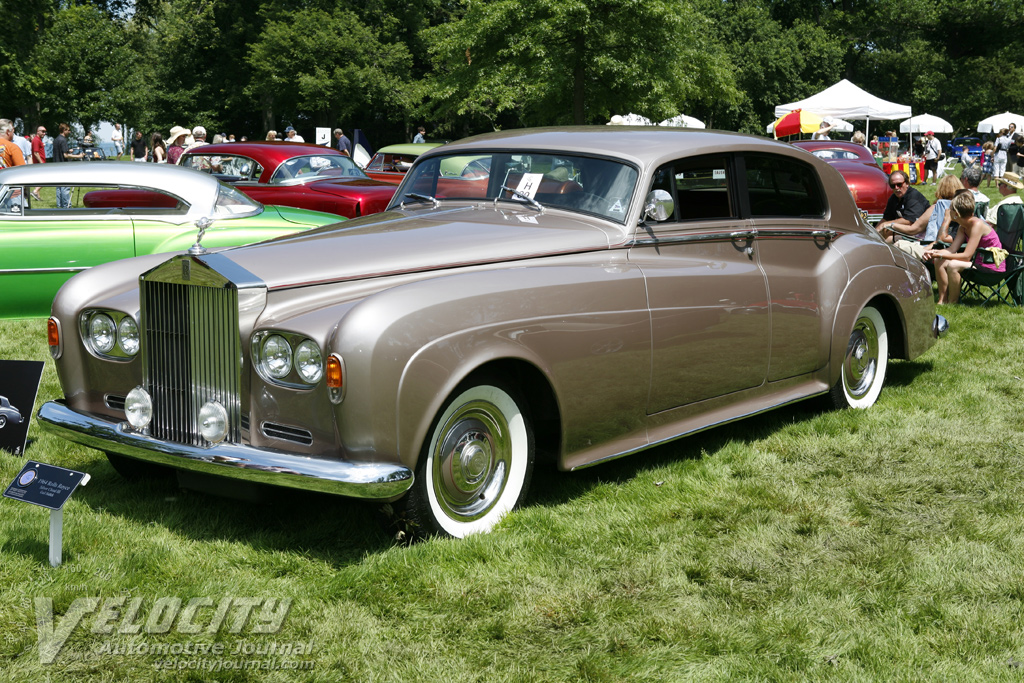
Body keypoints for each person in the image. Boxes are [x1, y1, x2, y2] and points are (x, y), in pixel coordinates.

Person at [925, 191, 1005, 305]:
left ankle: (953, 302)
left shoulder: (977, 225)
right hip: (976, 263)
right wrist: (934, 252)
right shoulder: (963, 227)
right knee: (939, 260)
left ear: (956, 213)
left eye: (950, 209)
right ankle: (943, 300)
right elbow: (952, 249)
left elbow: (966, 256)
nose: (948, 211)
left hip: (991, 267)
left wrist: (940, 254)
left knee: (953, 265)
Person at [891, 174, 963, 259]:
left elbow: (914, 229)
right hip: (939, 247)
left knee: (897, 243)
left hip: (934, 248)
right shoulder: (961, 209)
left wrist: (892, 225)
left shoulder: (936, 208)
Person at [877, 170, 930, 242]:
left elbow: (909, 221)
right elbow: (886, 218)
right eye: (893, 185)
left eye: (899, 184)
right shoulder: (893, 198)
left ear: (907, 183)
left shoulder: (914, 197)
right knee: (881, 234)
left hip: (921, 234)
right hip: (906, 231)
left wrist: (885, 225)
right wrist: (874, 232)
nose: (896, 188)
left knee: (886, 238)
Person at [52, 123, 73, 208]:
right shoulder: (63, 140)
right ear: (64, 130)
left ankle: (59, 206)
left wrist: (68, 150)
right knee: (65, 188)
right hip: (64, 167)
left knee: (59, 188)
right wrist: (78, 156)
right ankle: (67, 206)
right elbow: (65, 155)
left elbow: (61, 152)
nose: (69, 132)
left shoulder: (56, 139)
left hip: (57, 166)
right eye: (68, 130)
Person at [30, 125, 46, 200]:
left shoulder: (38, 140)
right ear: (38, 131)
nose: (44, 133)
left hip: (39, 163)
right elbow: (36, 153)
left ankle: (37, 196)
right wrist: (41, 162)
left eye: (45, 132)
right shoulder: (36, 140)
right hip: (39, 163)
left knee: (39, 180)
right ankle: (35, 191)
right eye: (42, 131)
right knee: (46, 179)